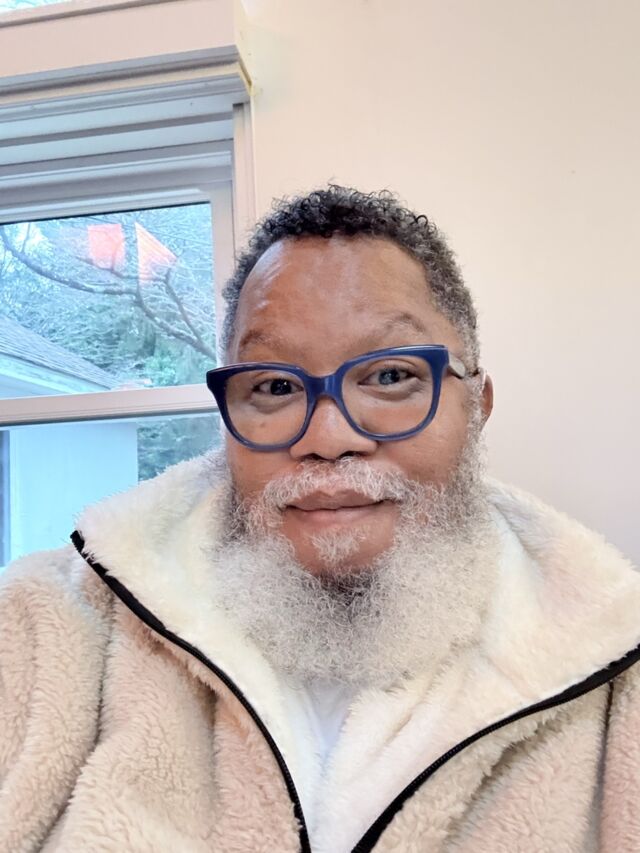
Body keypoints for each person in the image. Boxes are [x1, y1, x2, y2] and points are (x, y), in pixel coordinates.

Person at [1, 186, 639, 853]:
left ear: (476, 406)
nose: (329, 438)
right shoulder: (41, 629)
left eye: (390, 376)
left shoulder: (616, 664)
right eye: (274, 386)